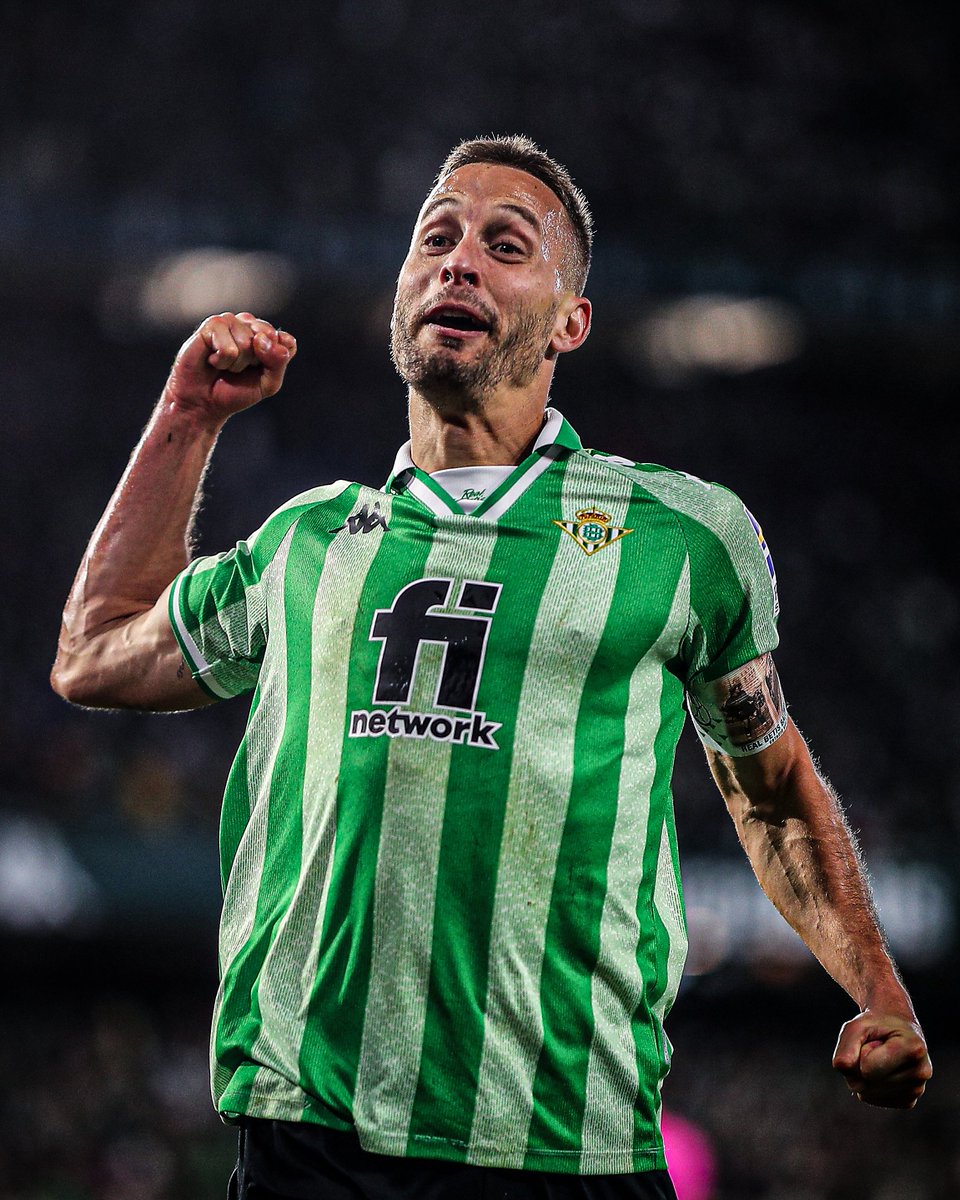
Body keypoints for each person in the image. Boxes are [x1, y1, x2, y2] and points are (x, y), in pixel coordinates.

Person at [52, 135, 931, 1200]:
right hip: (308, 1145)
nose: (458, 260)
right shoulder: (305, 540)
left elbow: (773, 791)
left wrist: (880, 991)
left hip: (565, 1146)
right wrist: (188, 417)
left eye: (506, 245)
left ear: (571, 322)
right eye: (436, 238)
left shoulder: (683, 537)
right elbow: (94, 652)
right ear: (399, 292)